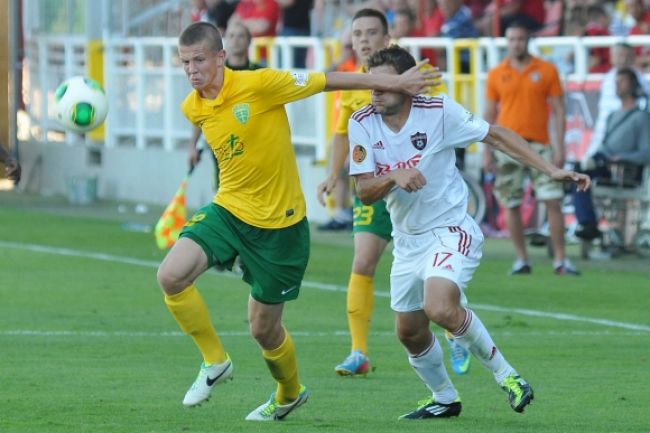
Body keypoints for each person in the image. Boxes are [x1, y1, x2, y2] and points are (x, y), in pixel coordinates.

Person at [157, 21, 437, 421]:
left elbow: (328, 80)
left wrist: (397, 82)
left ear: (220, 57)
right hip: (229, 211)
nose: (191, 70)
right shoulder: (193, 106)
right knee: (170, 276)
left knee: (263, 330)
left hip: (281, 228)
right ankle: (214, 361)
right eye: (185, 63)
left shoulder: (261, 84)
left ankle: (289, 393)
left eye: (199, 59)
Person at [348, 44, 590, 419]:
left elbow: (495, 135)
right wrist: (394, 175)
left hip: (451, 228)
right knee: (409, 333)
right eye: (370, 82)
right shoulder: (362, 122)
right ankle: (444, 397)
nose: (373, 90)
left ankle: (508, 376)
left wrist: (551, 170)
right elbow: (363, 192)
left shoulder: (440, 111)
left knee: (440, 307)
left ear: (408, 85)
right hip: (407, 241)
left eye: (381, 83)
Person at [316, 8, 471, 377]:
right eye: (357, 34)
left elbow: (442, 119)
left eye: (371, 33)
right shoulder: (355, 85)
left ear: (388, 39)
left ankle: (455, 329)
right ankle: (358, 351)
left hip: (420, 191)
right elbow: (341, 134)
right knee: (362, 262)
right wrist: (332, 175)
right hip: (376, 187)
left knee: (435, 268)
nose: (364, 40)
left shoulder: (416, 77)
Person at [483, 21, 579, 276]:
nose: (516, 43)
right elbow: (489, 113)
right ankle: (521, 259)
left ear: (528, 41)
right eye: (512, 39)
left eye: (520, 39)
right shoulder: (496, 73)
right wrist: (486, 150)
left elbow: (559, 110)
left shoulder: (546, 70)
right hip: (507, 145)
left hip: (540, 144)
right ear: (507, 42)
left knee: (553, 200)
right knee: (510, 202)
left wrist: (560, 146)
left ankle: (560, 260)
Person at [572, 67, 650, 239]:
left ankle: (588, 224)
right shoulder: (612, 115)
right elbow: (604, 145)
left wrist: (622, 157)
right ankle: (588, 223)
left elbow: (646, 153)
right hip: (606, 165)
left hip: (625, 172)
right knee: (576, 173)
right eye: (616, 82)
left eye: (622, 81)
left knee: (581, 172)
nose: (618, 85)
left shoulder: (642, 118)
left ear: (634, 85)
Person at [188, 21, 264, 189]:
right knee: (225, 190)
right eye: (231, 36)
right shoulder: (214, 74)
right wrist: (193, 145)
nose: (236, 40)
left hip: (255, 145)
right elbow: (200, 109)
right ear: (225, 41)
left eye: (241, 36)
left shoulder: (260, 72)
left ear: (249, 41)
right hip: (225, 143)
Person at [586, 43, 650, 161]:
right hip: (607, 129)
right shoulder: (607, 79)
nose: (623, 59)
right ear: (612, 57)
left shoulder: (641, 80)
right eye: (620, 55)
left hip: (631, 129)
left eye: (627, 56)